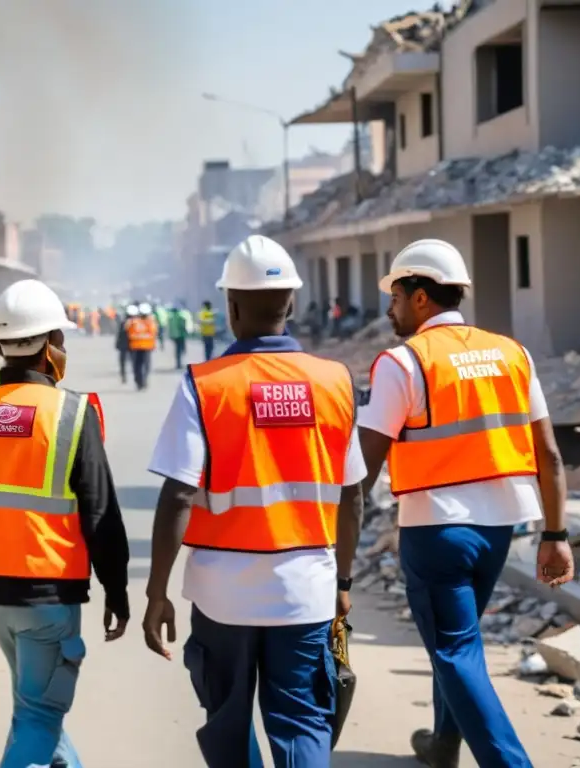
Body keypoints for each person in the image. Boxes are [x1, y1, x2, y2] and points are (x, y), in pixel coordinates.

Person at [142, 235, 367, 768]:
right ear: (291, 302)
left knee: (227, 720)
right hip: (306, 587)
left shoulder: (204, 385)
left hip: (223, 595)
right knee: (302, 722)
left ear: (231, 306)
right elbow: (353, 494)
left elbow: (177, 492)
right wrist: (343, 582)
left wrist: (156, 593)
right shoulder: (334, 381)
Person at [357, 239, 573, 768]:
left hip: (437, 530)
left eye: (397, 296)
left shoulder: (403, 362)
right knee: (459, 645)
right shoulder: (511, 353)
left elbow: (361, 467)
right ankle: (443, 745)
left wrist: (332, 537)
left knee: (454, 651)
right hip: (498, 528)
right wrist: (556, 534)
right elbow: (547, 452)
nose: (391, 309)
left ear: (422, 297)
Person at [0, 279, 131, 768]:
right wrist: (118, 590)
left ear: (1, 344)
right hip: (48, 596)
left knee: (35, 709)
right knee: (39, 717)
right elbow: (100, 509)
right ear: (49, 348)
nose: (64, 348)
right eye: (61, 340)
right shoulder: (70, 412)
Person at [127, 302, 157, 390]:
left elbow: (130, 333)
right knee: (146, 365)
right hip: (146, 347)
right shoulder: (151, 322)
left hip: (136, 347)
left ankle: (139, 382)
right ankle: (143, 381)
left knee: (137, 366)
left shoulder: (133, 322)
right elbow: (153, 333)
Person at [117, 303, 138, 384]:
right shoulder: (136, 322)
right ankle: (135, 377)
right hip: (132, 345)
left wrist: (118, 344)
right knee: (134, 362)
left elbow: (119, 335)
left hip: (125, 345)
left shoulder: (125, 322)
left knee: (123, 362)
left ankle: (124, 376)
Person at [168, 304, 190, 369]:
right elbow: (183, 325)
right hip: (180, 335)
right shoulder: (180, 316)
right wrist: (186, 331)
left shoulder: (170, 317)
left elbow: (170, 328)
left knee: (177, 350)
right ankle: (179, 363)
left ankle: (178, 363)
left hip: (174, 336)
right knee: (181, 349)